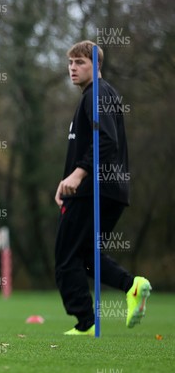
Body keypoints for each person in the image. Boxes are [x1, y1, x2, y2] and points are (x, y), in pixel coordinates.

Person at [54, 40, 150, 336]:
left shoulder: (96, 94)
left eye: (80, 62)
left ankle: (85, 322)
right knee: (85, 256)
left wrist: (79, 175)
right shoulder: (94, 95)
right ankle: (131, 286)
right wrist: (66, 180)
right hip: (105, 191)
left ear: (96, 66)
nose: (73, 67)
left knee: (66, 256)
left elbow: (106, 141)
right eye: (70, 62)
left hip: (94, 190)